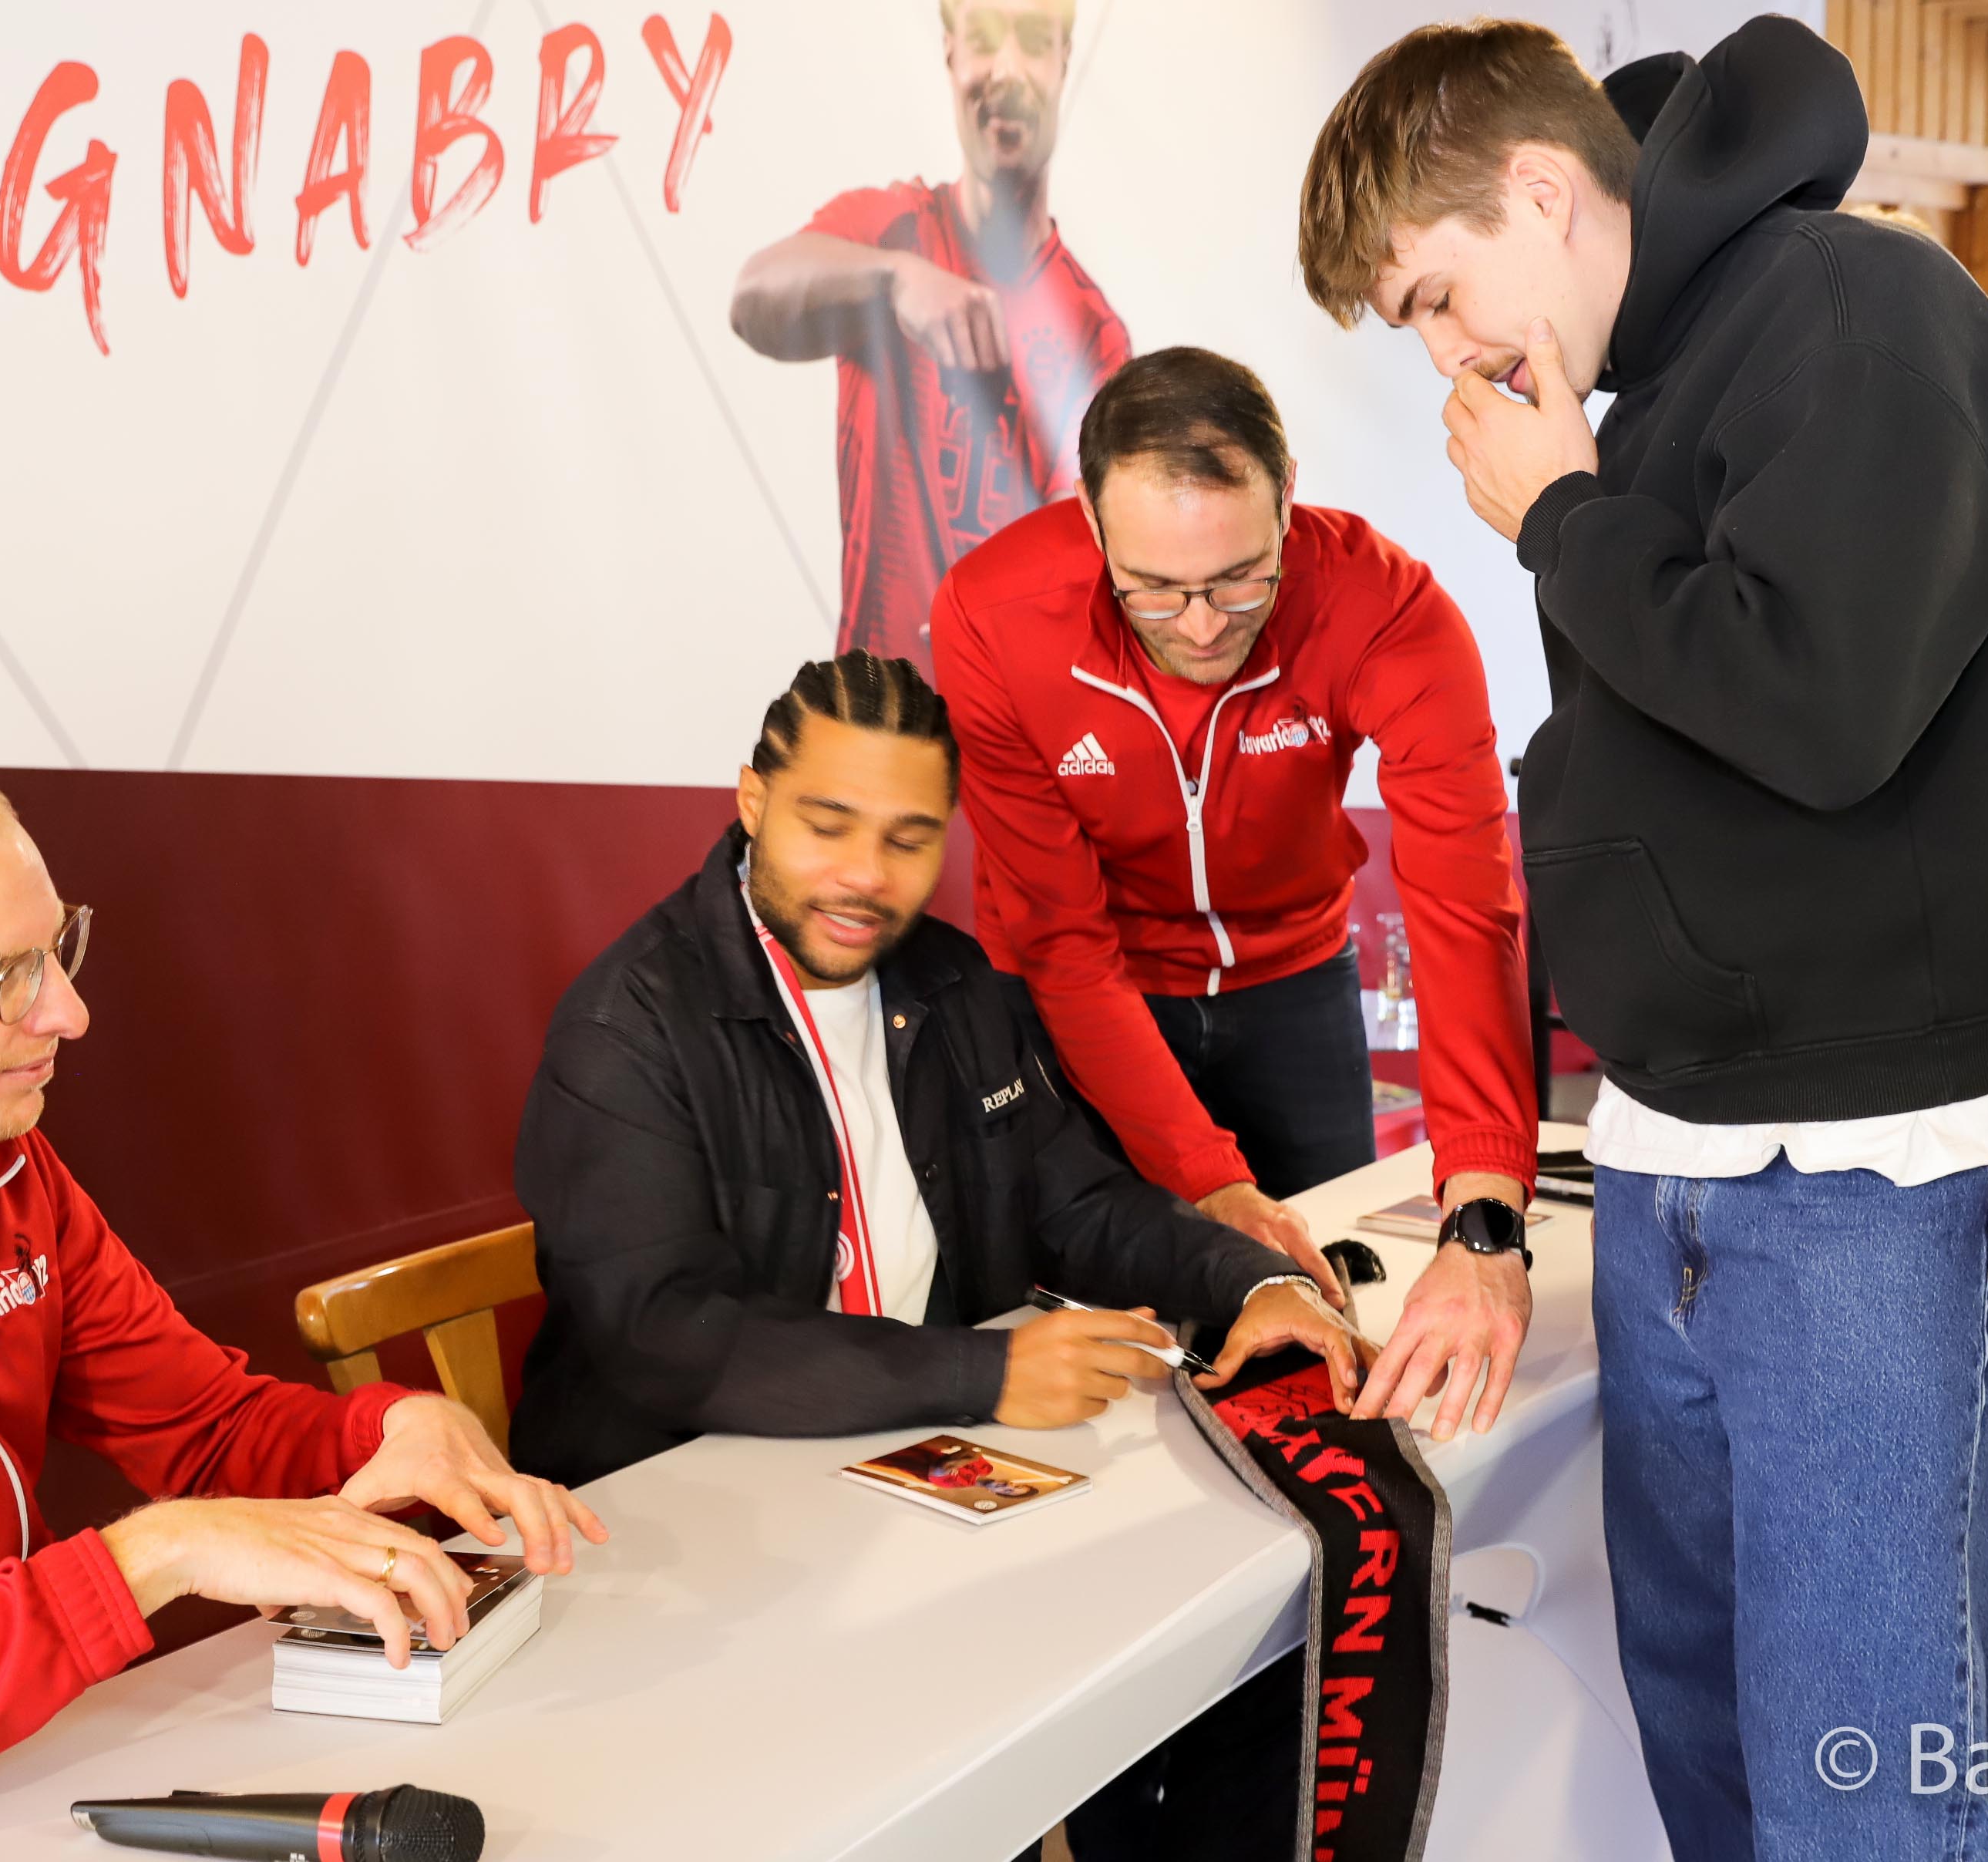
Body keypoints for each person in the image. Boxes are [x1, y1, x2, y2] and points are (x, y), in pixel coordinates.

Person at [1301, 19, 1988, 1859]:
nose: (1444, 355)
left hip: (1883, 1162)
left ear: (1535, 193)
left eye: (1434, 297)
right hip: (1672, 1147)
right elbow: (1667, 747)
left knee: (1861, 1792)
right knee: (1707, 1748)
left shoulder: (1860, 314)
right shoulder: (1634, 388)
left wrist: (1562, 518)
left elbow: (1823, 710)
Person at [507, 654, 1361, 1862]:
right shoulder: (627, 1020)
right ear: (750, 799)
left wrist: (1252, 1280)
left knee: (1252, 1628)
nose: (867, 874)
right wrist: (988, 1373)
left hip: (906, 1483)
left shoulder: (954, 984)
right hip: (674, 1540)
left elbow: (1082, 1199)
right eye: (827, 824)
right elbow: (666, 1331)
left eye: (908, 838)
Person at [0, 747, 606, 1858]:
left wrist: (388, 1431)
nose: (68, 1010)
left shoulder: (5, 1164)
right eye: (4, 972)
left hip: (7, 1772)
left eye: (57, 948)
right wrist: (154, 1555)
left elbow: (206, 1428)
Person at [930, 345, 1540, 1426]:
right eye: (1156, 590)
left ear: (1287, 493)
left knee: (1331, 1319)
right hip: (1088, 994)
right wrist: (1205, 1176)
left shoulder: (1383, 604)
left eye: (1240, 577)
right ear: (1091, 520)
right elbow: (1062, 942)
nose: (1204, 624)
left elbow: (1463, 902)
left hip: (1295, 979)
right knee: (1117, 1334)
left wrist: (1483, 1207)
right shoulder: (992, 612)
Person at [730, 0, 1129, 675]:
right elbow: (753, 299)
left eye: (1035, 39)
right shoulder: (891, 230)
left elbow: (1083, 564)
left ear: (1064, 60)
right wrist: (894, 280)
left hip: (1002, 724)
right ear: (951, 52)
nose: (1007, 69)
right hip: (868, 716)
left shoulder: (1094, 334)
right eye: (984, 38)